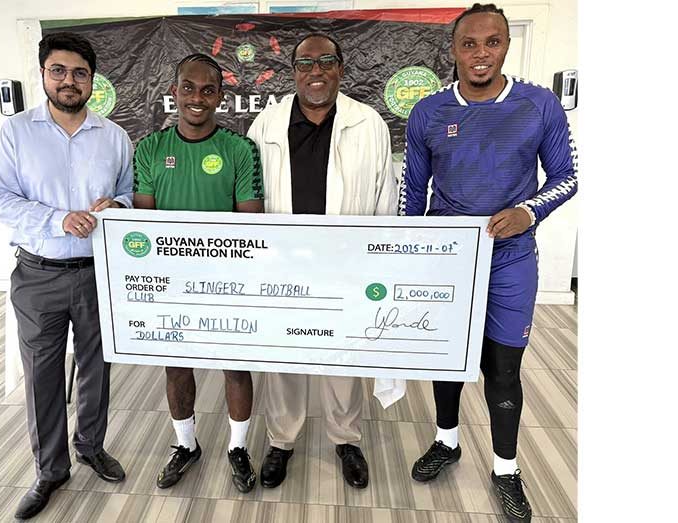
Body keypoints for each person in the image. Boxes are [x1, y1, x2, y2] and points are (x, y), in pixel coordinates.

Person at [400, 4, 577, 522]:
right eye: (469, 44)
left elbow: (567, 177)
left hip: (511, 259)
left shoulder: (539, 104)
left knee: (503, 367)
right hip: (448, 258)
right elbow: (414, 188)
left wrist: (529, 210)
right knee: (447, 356)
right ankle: (447, 440)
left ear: (505, 45)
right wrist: (413, 251)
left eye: (492, 42)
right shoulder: (428, 112)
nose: (481, 54)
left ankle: (506, 469)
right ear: (453, 51)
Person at [0, 32, 132, 520]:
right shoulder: (16, 133)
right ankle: (50, 470)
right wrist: (57, 219)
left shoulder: (114, 136)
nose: (69, 81)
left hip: (98, 273)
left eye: (80, 73)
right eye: (59, 71)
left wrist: (118, 205)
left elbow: (130, 194)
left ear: (93, 80)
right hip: (38, 274)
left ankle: (90, 445)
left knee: (96, 366)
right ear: (44, 74)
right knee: (41, 376)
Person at [247, 33, 397, 490]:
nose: (316, 71)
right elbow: (249, 197)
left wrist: (379, 260)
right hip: (283, 263)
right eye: (305, 63)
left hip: (347, 263)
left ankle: (345, 438)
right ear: (294, 72)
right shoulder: (266, 124)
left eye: (326, 62)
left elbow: (384, 195)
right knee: (284, 354)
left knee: (344, 356)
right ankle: (282, 439)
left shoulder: (368, 123)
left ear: (341, 69)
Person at [133, 53, 265, 494]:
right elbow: (145, 227)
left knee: (235, 366)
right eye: (188, 88)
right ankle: (186, 445)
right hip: (171, 283)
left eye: (208, 90)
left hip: (230, 281)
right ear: (174, 93)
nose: (197, 98)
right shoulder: (150, 149)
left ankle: (238, 447)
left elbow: (249, 223)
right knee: (176, 367)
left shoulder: (240, 149)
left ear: (221, 98)